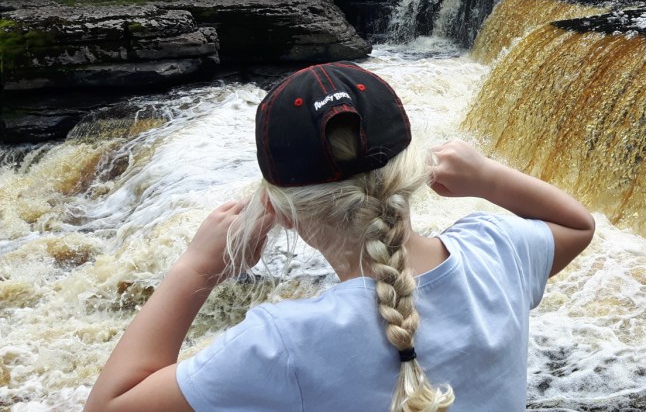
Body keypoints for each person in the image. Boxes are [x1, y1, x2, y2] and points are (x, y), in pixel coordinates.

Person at [84, 61, 595, 412]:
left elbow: (110, 405)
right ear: (418, 172)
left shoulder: (281, 346)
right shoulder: (497, 251)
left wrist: (195, 268)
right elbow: (578, 225)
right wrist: (487, 176)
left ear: (282, 212)